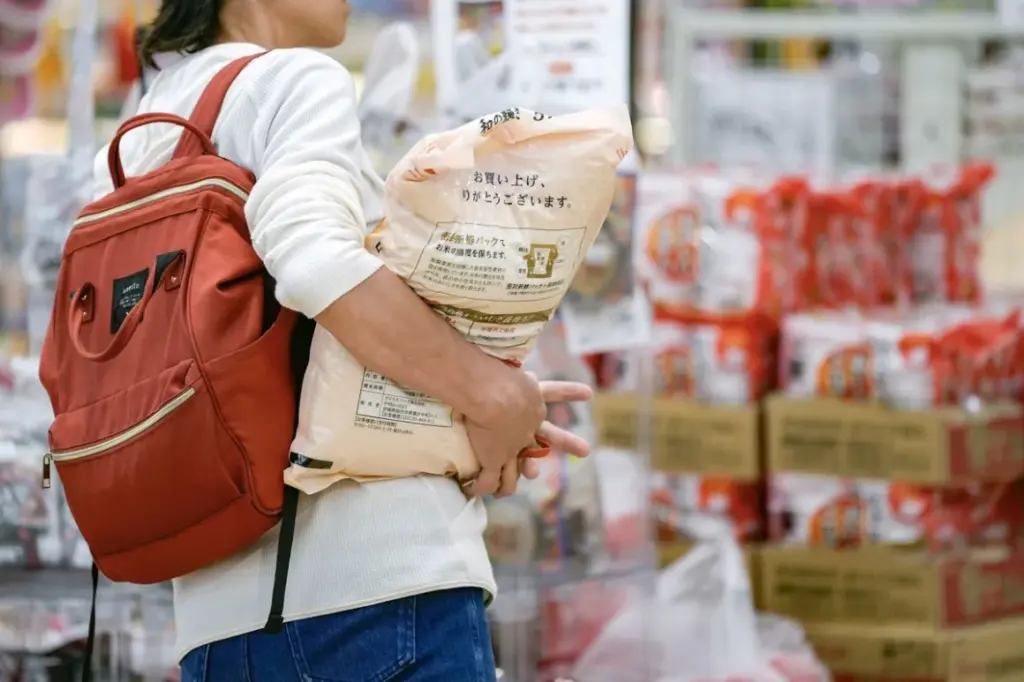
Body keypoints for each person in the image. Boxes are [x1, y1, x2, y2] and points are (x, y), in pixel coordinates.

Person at [101, 1, 595, 680]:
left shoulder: (152, 121)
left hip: (218, 624)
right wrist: (490, 392)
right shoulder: (296, 78)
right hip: (380, 595)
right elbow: (312, 260)